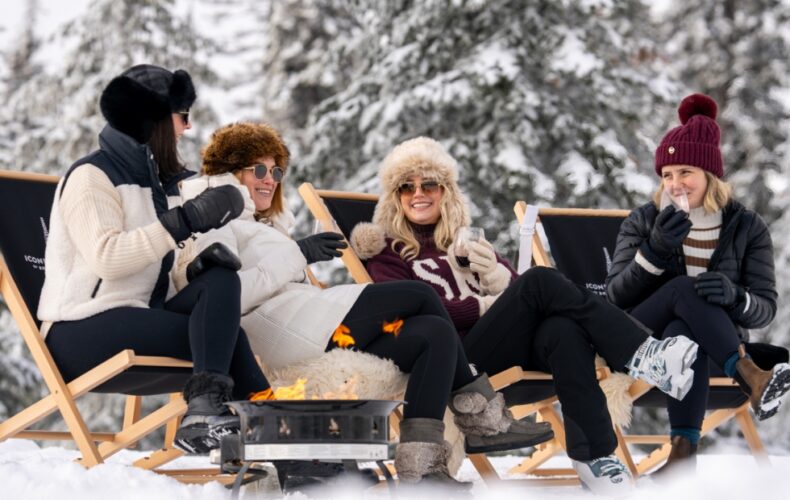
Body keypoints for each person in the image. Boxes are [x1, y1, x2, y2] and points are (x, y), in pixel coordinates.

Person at [180, 122, 554, 488]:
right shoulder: (213, 217)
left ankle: (422, 466)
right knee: (419, 294)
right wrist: (298, 254)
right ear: (228, 171)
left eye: (276, 171)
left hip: (306, 321)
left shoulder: (265, 223)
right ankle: (483, 418)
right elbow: (221, 297)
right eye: (259, 170)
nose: (270, 180)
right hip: (278, 331)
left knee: (434, 333)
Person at [350, 136, 701, 495]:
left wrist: (496, 275)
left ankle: (594, 457)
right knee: (540, 279)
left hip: (499, 348)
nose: (417, 194)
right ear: (395, 197)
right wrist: (485, 305)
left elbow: (527, 297)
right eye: (406, 187)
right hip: (456, 362)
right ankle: (642, 353)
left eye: (428, 184)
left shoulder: (466, 242)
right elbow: (408, 313)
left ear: (445, 191)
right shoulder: (387, 252)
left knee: (562, 330)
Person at [36, 65, 272, 455]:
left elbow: (158, 268)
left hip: (140, 316)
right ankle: (278, 440)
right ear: (153, 119)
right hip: (79, 330)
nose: (187, 127)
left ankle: (248, 426)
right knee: (225, 340)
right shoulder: (91, 176)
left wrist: (194, 268)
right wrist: (185, 220)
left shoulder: (160, 186)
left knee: (221, 282)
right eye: (183, 115)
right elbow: (108, 258)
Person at [605, 93, 790, 475]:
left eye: (685, 172)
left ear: (709, 174)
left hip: (705, 342)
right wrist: (654, 251)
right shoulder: (644, 221)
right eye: (667, 175)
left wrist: (736, 297)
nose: (675, 184)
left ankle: (682, 455)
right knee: (685, 289)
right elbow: (615, 297)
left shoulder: (746, 226)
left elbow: (764, 308)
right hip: (640, 340)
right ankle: (750, 376)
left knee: (684, 332)